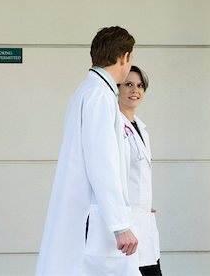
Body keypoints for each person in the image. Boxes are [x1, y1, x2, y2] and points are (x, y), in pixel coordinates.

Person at [35, 26, 141, 276]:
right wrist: (120, 225)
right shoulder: (99, 96)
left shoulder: (89, 91)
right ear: (124, 57)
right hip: (94, 222)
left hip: (90, 218)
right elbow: (102, 163)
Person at [118, 66, 162, 276]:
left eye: (140, 85)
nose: (135, 89)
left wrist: (143, 202)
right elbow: (109, 175)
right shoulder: (113, 126)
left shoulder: (141, 128)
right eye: (128, 84)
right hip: (125, 227)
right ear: (117, 88)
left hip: (143, 221)